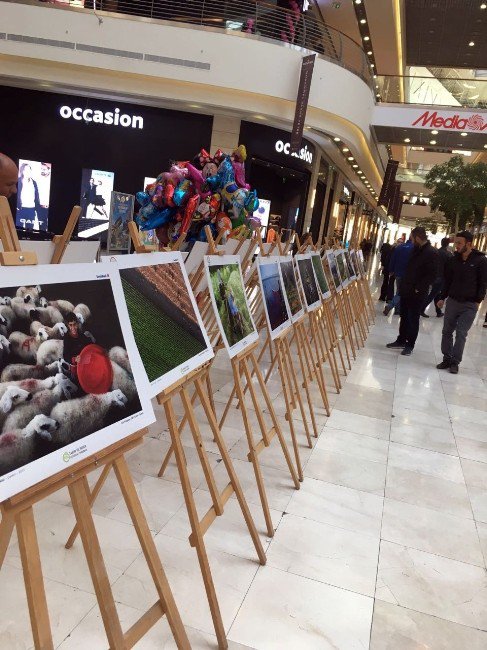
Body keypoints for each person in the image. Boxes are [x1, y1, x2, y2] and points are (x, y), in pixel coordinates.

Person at [436, 231, 487, 374]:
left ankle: (455, 361)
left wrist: (478, 302)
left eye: (459, 243)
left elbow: (483, 283)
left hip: (469, 305)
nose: (456, 246)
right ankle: (447, 358)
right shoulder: (453, 260)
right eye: (455, 243)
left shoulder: (480, 260)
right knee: (447, 331)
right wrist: (442, 297)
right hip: (452, 301)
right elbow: (448, 281)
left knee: (461, 333)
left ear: (469, 244)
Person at [386, 226, 437, 356]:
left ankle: (410, 345)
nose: (411, 241)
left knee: (413, 318)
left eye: (412, 238)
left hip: (417, 292)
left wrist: (418, 288)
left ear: (418, 238)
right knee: (404, 316)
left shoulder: (431, 252)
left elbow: (431, 275)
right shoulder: (416, 249)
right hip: (406, 289)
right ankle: (401, 339)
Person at [421, 237, 452, 318]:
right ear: (448, 244)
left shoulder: (436, 252)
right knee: (433, 294)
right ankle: (421, 309)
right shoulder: (448, 254)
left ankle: (438, 312)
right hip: (441, 277)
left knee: (436, 294)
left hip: (435, 276)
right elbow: (449, 268)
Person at [383, 237, 414, 316]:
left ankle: (397, 310)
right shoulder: (413, 249)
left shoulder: (399, 247)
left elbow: (393, 259)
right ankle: (390, 306)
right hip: (407, 274)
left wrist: (391, 270)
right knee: (401, 292)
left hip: (398, 273)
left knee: (399, 291)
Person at [16, 163, 41, 230]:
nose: (28, 172)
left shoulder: (34, 182)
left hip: (31, 209)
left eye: (29, 170)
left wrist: (37, 208)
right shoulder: (18, 181)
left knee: (29, 230)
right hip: (20, 209)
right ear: (22, 171)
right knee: (18, 229)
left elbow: (36, 196)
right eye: (26, 170)